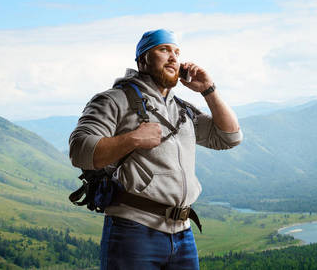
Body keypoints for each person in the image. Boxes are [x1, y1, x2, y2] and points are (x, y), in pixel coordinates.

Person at [69, 29, 242, 270]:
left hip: (183, 233)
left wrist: (208, 90)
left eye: (177, 52)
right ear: (142, 60)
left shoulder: (182, 109)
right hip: (133, 230)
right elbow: (79, 149)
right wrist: (133, 139)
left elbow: (229, 137)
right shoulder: (113, 100)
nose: (173, 57)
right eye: (163, 50)